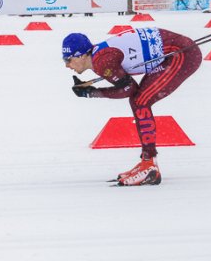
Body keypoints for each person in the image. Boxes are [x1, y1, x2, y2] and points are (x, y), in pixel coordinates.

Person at [62, 28, 202, 186]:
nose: (67, 65)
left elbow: (128, 90)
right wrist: (92, 91)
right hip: (177, 50)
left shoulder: (102, 62)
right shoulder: (99, 58)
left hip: (183, 54)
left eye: (68, 59)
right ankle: (147, 162)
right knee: (138, 100)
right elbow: (128, 86)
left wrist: (93, 93)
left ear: (81, 55)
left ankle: (149, 165)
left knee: (140, 101)